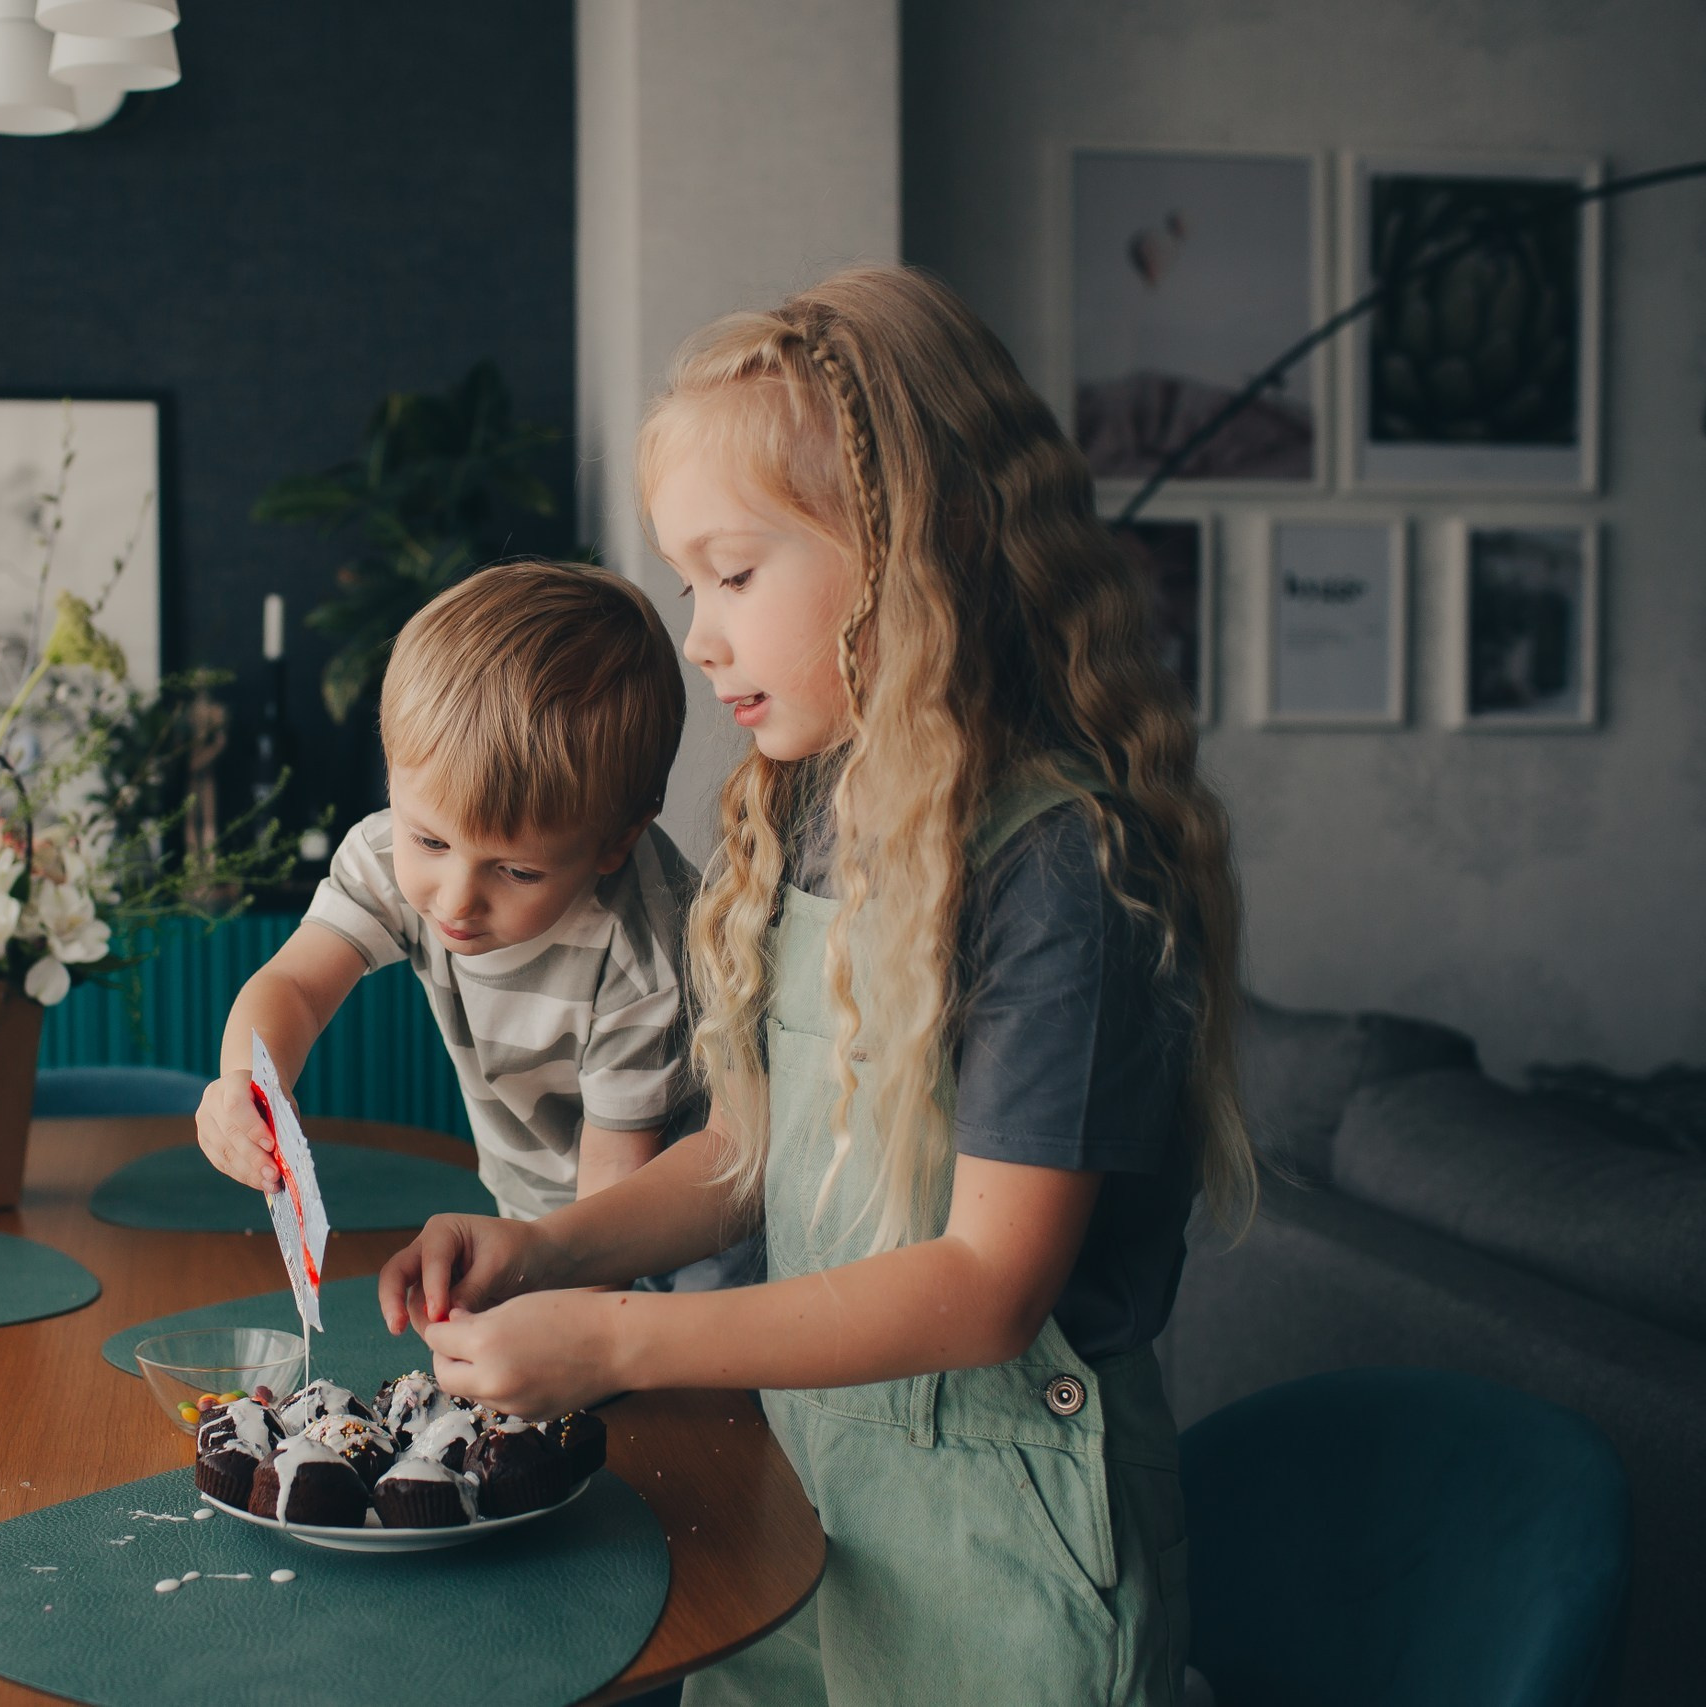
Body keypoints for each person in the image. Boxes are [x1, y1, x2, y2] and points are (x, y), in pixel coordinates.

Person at [376, 266, 1255, 1707]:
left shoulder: (1063, 864)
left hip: (1006, 1554)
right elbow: (746, 1154)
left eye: (733, 573)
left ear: (914, 548)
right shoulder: (808, 803)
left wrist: (613, 1335)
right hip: (811, 1490)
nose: (700, 635)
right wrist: (552, 1250)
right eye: (687, 584)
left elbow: (984, 1287)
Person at [195, 559, 705, 1226]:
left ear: (616, 841)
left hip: (673, 1243)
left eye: (517, 871)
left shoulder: (644, 957)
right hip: (537, 1216)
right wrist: (246, 1080)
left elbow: (614, 1206)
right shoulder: (388, 853)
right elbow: (293, 985)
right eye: (430, 841)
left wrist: (543, 1308)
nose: (456, 900)